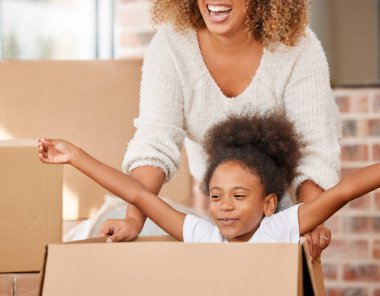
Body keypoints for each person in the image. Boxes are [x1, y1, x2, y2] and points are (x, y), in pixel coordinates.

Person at [102, 0, 341, 258]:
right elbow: (155, 142)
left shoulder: (299, 49)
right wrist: (134, 220)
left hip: (285, 219)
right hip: (223, 219)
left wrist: (311, 221)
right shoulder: (171, 46)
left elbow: (313, 152)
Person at [38, 112, 374, 245]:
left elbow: (345, 190)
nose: (225, 207)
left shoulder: (280, 228)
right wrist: (75, 157)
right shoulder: (205, 235)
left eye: (239, 196)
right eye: (216, 196)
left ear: (269, 203)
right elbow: (139, 195)